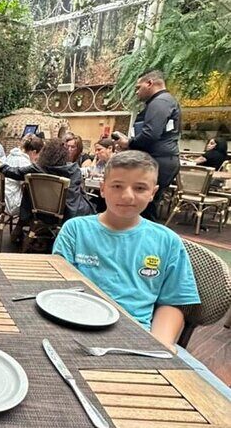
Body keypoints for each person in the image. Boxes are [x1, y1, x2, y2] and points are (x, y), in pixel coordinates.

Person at [52, 151, 231, 399]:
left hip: (138, 335)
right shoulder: (75, 230)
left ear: (153, 192)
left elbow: (173, 301)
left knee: (215, 399)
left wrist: (158, 344)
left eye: (139, 188)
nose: (127, 195)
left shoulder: (167, 241)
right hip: (76, 331)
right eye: (117, 186)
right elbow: (59, 289)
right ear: (102, 189)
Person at [116, 69, 181, 221]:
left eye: (138, 87)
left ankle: (145, 236)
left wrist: (128, 143)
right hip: (161, 159)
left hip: (157, 161)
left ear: (150, 83)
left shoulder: (160, 102)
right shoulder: (163, 101)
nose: (136, 92)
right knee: (144, 206)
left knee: (144, 207)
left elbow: (151, 134)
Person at [0, 138, 95, 222]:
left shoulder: (38, 169)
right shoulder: (74, 169)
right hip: (72, 214)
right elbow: (78, 192)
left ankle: (22, 227)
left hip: (43, 214)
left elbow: (14, 172)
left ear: (45, 153)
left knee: (28, 191)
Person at [0, 134, 43, 215]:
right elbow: (27, 186)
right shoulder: (24, 162)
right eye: (39, 155)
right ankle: (29, 221)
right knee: (38, 200)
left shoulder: (11, 155)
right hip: (12, 203)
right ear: (34, 152)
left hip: (1, 198)